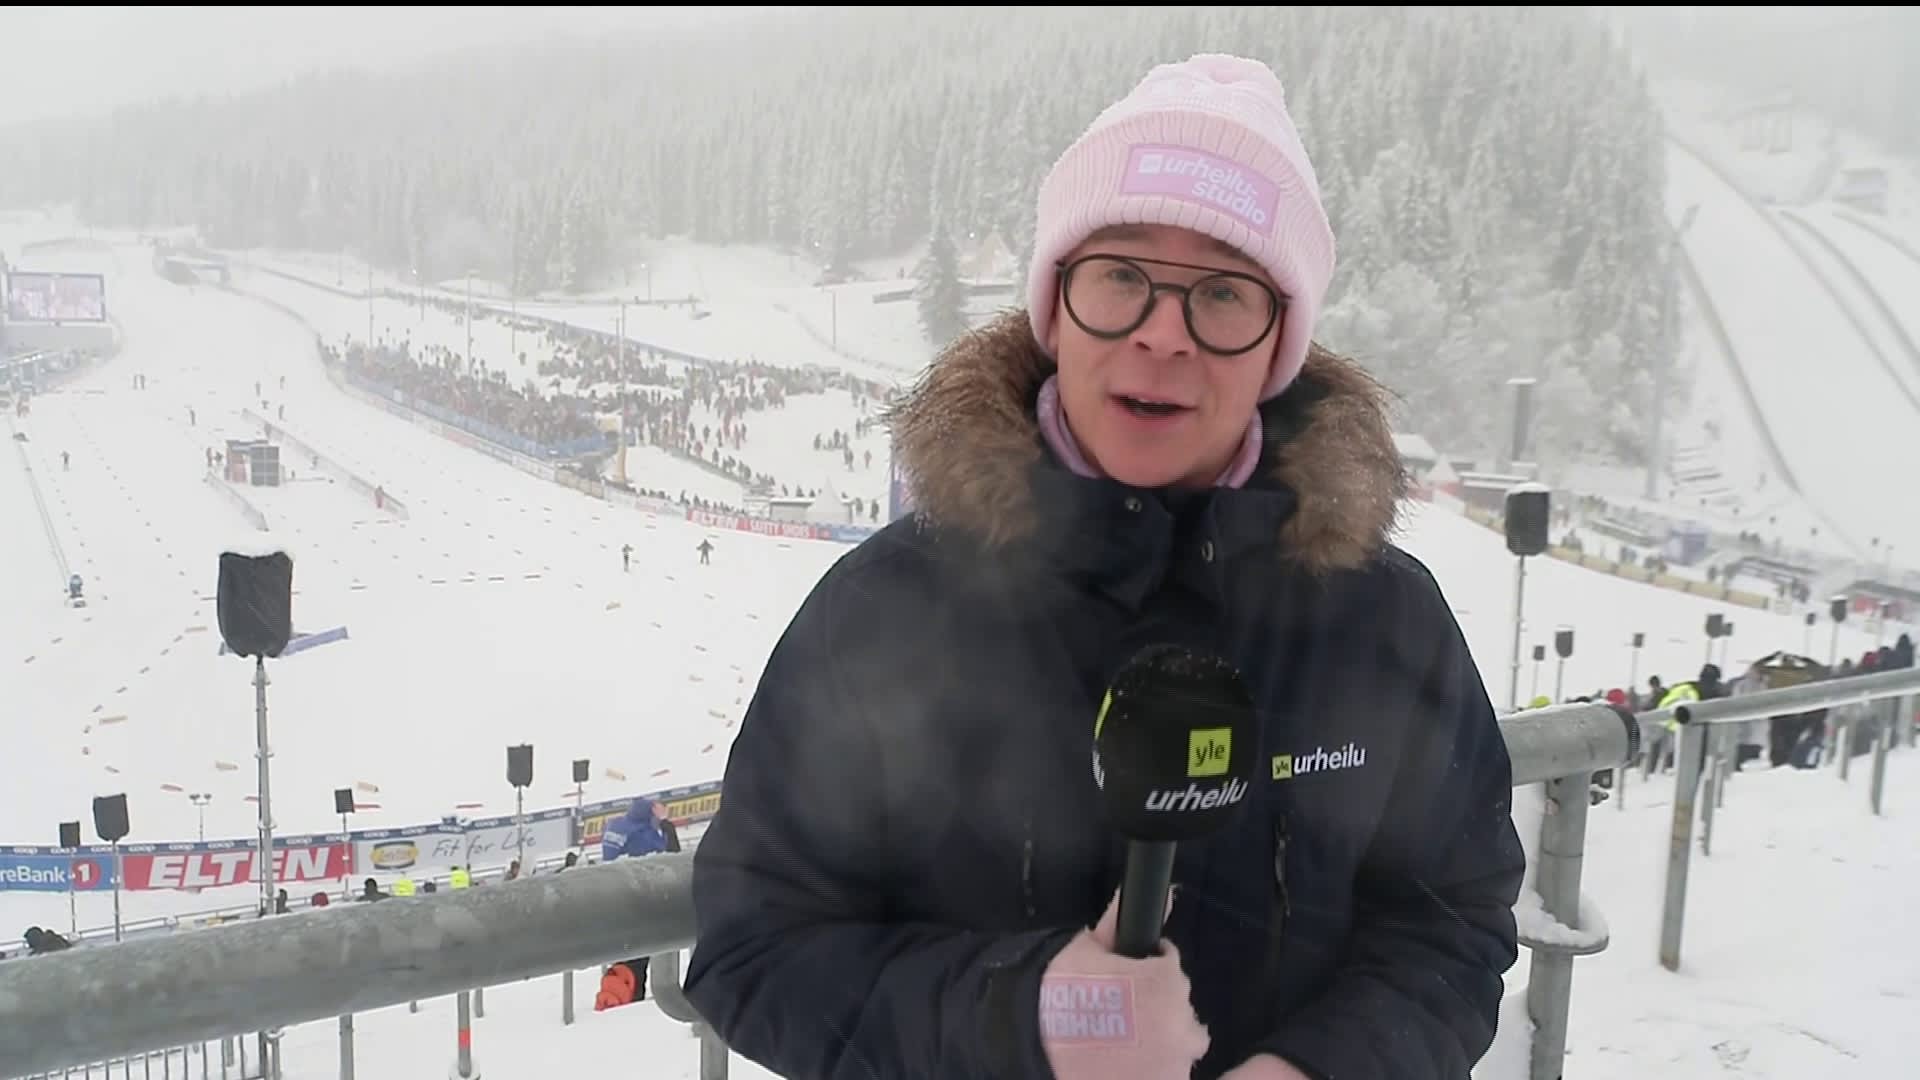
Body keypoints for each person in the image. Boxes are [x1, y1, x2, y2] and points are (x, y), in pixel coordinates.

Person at [685, 53, 1524, 1080]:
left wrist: (1319, 1069)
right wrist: (1025, 1019)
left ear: (1280, 343)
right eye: (1122, 276)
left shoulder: (1383, 622)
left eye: (1224, 292)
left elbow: (1450, 925)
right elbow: (754, 950)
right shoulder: (885, 611)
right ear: (1055, 304)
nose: (1163, 336)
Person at [596, 797, 676, 1009]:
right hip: (641, 902)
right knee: (638, 958)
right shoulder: (643, 835)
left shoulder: (616, 826)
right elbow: (672, 857)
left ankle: (616, 993)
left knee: (624, 955)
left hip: (616, 899)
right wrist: (665, 824)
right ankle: (629, 998)